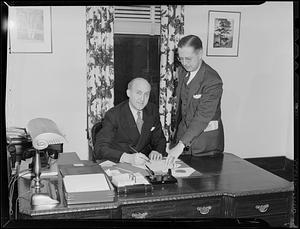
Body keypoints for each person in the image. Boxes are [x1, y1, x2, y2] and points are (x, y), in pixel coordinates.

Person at [166, 35, 224, 167]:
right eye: (181, 58)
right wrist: (176, 141)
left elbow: (202, 116)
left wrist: (181, 145)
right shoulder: (182, 71)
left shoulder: (212, 80)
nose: (184, 63)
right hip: (184, 139)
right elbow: (182, 109)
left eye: (188, 59)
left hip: (206, 146)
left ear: (200, 54)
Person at [94, 77, 166, 166]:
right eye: (138, 93)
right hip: (119, 164)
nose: (142, 99)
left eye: (146, 94)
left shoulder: (152, 110)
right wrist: (127, 158)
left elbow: (160, 139)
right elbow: (100, 148)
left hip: (145, 164)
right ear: (128, 93)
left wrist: (157, 151)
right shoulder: (114, 114)